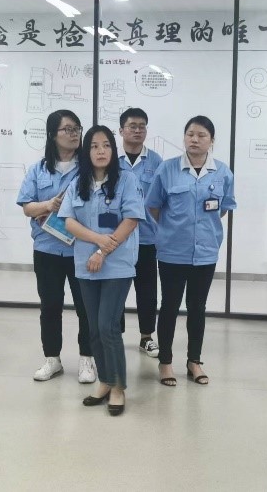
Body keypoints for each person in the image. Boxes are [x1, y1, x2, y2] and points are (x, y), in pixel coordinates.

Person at [146, 115, 236, 387]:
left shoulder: (223, 172)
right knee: (169, 306)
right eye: (190, 134)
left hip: (205, 252)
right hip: (172, 251)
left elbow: (223, 208)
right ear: (184, 137)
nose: (194, 140)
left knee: (198, 307)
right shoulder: (167, 169)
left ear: (212, 140)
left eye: (201, 135)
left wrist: (201, 229)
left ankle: (194, 361)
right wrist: (173, 229)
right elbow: (153, 206)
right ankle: (165, 362)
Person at [60, 125, 145, 416]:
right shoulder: (78, 182)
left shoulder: (127, 180)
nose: (100, 151)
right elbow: (68, 221)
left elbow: (131, 220)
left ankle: (119, 386)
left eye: (106, 145)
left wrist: (102, 251)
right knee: (94, 328)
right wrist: (97, 242)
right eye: (94, 146)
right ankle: (105, 381)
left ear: (113, 149)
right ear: (87, 151)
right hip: (87, 265)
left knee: (108, 326)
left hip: (117, 265)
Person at [17, 109, 95, 383]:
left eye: (77, 129)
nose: (74, 134)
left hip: (81, 249)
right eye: (67, 129)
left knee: (86, 308)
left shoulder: (89, 169)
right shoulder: (38, 170)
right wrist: (48, 205)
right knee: (50, 306)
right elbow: (27, 207)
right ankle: (52, 359)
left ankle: (87, 359)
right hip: (47, 249)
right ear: (53, 134)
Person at [116, 107, 163, 358]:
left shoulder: (156, 161)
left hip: (147, 237)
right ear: (121, 130)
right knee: (117, 288)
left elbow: (162, 199)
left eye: (142, 126)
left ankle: (147, 337)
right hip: (118, 237)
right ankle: (116, 335)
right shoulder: (111, 159)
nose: (137, 130)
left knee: (147, 290)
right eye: (132, 126)